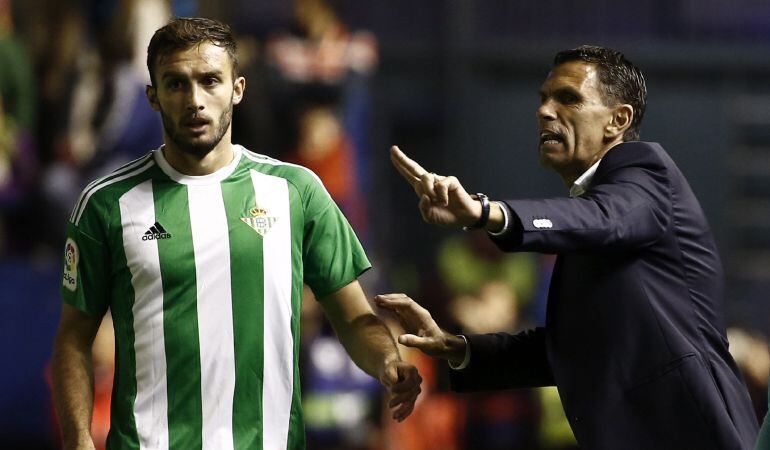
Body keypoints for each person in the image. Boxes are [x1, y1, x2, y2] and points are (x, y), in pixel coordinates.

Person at [51, 17, 421, 450]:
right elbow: (74, 337)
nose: (195, 100)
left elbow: (355, 318)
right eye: (175, 84)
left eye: (210, 81)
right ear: (152, 97)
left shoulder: (296, 192)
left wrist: (388, 362)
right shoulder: (105, 203)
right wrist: (78, 439)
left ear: (238, 89)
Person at [376, 45, 758, 450]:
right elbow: (569, 349)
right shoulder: (591, 221)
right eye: (543, 98)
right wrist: (460, 348)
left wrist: (484, 212)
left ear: (618, 120)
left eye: (568, 98)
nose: (544, 111)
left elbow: (605, 219)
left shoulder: (647, 173)